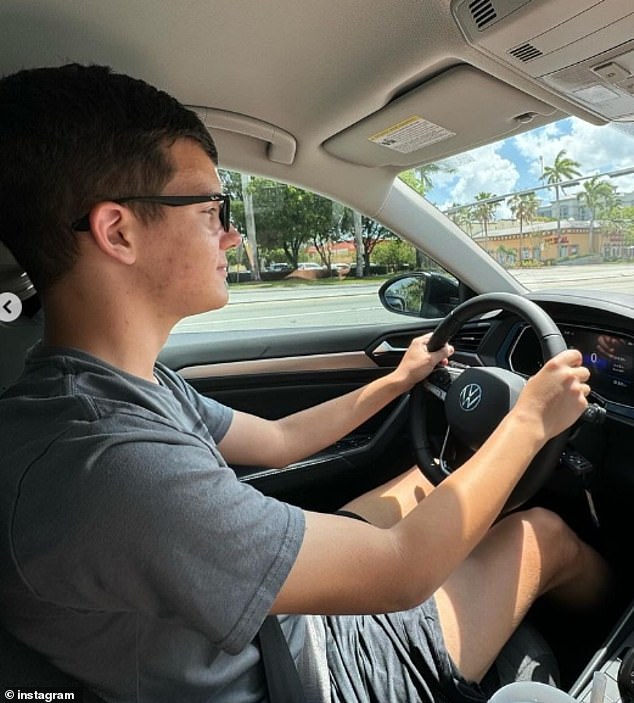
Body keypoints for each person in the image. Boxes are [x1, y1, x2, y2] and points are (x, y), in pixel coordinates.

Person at [0, 63, 612, 703]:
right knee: (546, 535)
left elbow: (280, 437)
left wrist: (399, 380)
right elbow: (402, 571)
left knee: (424, 482)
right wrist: (530, 420)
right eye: (211, 207)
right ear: (118, 231)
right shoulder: (109, 467)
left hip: (267, 631)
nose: (231, 234)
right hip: (304, 676)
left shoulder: (114, 388)